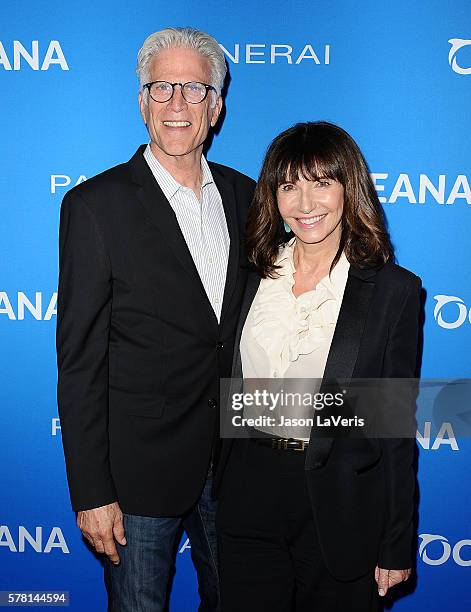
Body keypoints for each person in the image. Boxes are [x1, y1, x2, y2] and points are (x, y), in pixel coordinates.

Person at [56, 27, 255, 611]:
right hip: (137, 479)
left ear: (215, 107)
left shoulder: (251, 198)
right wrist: (92, 492)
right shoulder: (96, 206)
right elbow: (80, 361)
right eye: (161, 88)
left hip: (236, 467)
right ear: (141, 101)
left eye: (193, 89)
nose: (176, 104)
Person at [214, 121, 422, 611]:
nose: (305, 204)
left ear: (349, 188)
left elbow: (391, 425)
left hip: (339, 501)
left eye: (322, 182)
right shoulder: (249, 274)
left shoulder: (392, 290)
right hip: (247, 491)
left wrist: (396, 539)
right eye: (289, 186)